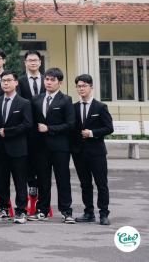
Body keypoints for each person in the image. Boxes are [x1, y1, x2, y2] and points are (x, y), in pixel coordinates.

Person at [30, 67, 75, 223]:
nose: (48, 82)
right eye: (47, 79)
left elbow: (70, 124)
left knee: (63, 179)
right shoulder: (36, 99)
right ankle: (42, 210)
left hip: (60, 147)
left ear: (59, 83)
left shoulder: (66, 100)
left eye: (52, 80)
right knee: (43, 180)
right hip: (41, 147)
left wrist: (49, 128)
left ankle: (66, 211)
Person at [71, 74, 113, 226]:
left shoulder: (100, 107)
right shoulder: (74, 107)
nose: (81, 89)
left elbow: (109, 128)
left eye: (84, 86)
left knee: (101, 183)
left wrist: (92, 133)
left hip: (96, 152)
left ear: (91, 87)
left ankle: (104, 213)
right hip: (79, 152)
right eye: (79, 86)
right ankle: (88, 212)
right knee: (85, 184)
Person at [0, 70, 32, 224]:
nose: (6, 83)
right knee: (1, 181)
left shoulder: (24, 103)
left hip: (18, 148)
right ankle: (3, 209)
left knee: (20, 181)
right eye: (3, 81)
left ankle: (21, 211)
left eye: (9, 80)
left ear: (16, 83)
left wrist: (8, 132)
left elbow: (27, 124)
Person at [18, 50, 45, 197]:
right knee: (27, 156)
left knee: (42, 158)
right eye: (30, 60)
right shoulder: (20, 81)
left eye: (35, 60)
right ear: (25, 63)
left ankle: (42, 184)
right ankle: (31, 183)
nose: (33, 63)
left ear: (40, 62)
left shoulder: (47, 79)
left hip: (43, 126)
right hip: (26, 126)